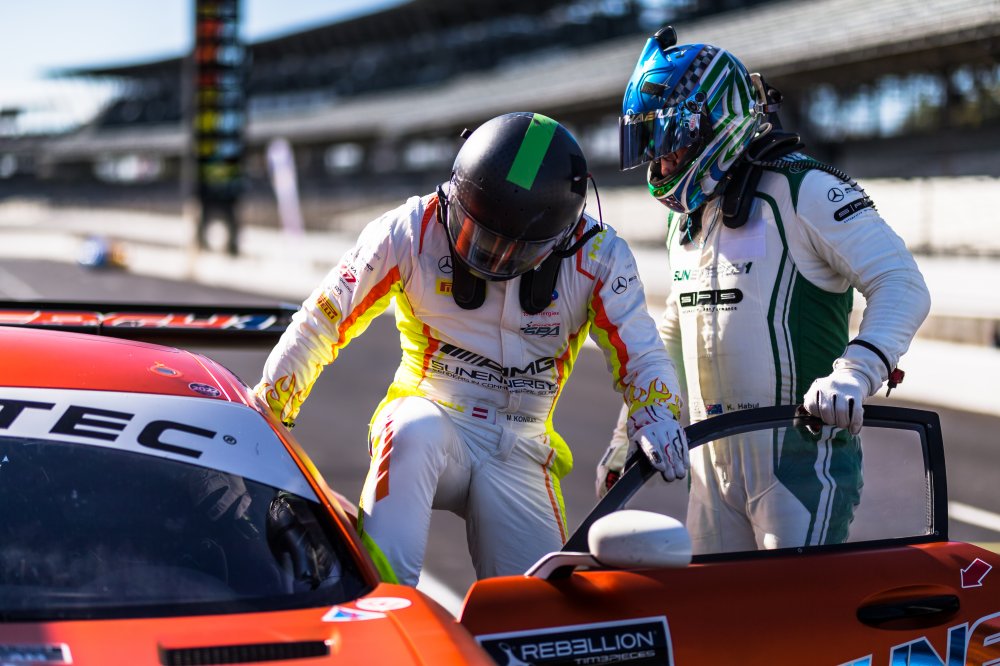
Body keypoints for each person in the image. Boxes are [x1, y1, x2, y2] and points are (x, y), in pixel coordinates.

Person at [254, 112, 687, 586]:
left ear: (563, 234)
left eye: (515, 247)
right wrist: (269, 414)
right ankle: (387, 603)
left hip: (521, 446)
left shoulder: (599, 255)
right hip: (431, 420)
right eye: (479, 232)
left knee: (535, 609)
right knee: (410, 429)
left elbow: (643, 353)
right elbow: (322, 320)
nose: (494, 255)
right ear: (456, 192)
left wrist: (656, 413)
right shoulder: (408, 230)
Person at [597, 27, 931, 554]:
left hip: (802, 470)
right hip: (708, 473)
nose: (660, 163)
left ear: (716, 120)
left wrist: (856, 371)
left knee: (794, 610)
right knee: (716, 611)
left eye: (670, 140)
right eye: (651, 146)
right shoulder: (686, 217)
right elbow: (676, 329)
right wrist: (630, 430)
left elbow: (902, 282)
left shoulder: (806, 188)